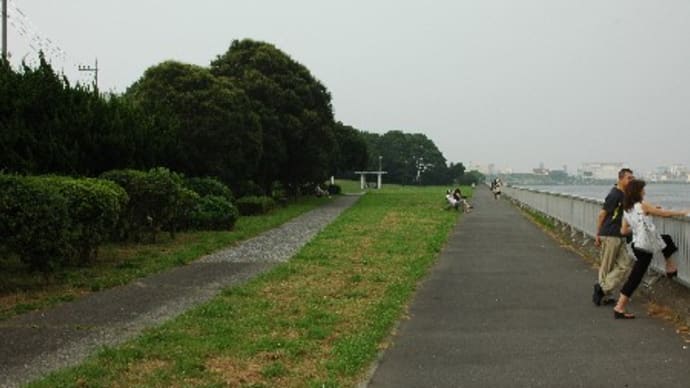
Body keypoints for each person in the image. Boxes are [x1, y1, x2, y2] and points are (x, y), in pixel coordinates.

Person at [612, 179, 688, 319]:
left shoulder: (627, 209)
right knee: (635, 278)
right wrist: (682, 213)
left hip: (637, 245)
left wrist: (637, 225)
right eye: (643, 189)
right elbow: (665, 214)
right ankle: (619, 307)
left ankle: (670, 267)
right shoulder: (642, 205)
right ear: (637, 191)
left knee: (666, 239)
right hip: (645, 247)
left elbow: (623, 231)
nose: (644, 191)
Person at [592, 168, 634, 306]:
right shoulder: (614, 195)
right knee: (607, 266)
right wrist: (597, 234)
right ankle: (604, 295)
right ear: (620, 179)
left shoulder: (624, 194)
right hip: (610, 234)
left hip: (620, 235)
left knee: (625, 265)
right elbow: (602, 214)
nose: (631, 181)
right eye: (629, 178)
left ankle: (602, 290)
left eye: (632, 178)